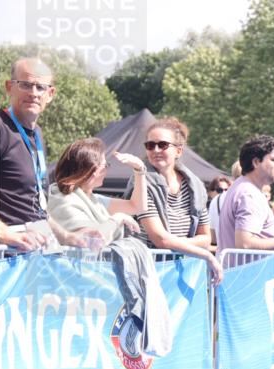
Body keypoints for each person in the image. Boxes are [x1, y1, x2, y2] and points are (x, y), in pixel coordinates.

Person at [0, 57, 102, 252]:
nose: (33, 93)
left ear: (50, 93)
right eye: (26, 85)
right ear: (9, 87)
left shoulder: (37, 135)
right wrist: (7, 235)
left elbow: (36, 209)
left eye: (40, 87)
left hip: (32, 254)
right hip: (5, 259)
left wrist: (70, 237)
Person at [133, 116, 222, 282]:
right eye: (150, 145)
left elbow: (205, 239)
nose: (156, 150)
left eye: (163, 145)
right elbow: (160, 240)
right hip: (147, 274)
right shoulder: (141, 182)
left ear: (179, 151)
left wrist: (178, 245)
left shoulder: (195, 187)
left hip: (183, 273)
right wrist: (204, 254)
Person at [47, 138, 148, 244]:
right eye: (105, 165)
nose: (107, 170)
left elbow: (137, 207)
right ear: (93, 169)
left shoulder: (91, 199)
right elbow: (91, 241)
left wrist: (140, 169)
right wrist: (116, 220)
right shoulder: (64, 200)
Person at [207, 176, 231, 247]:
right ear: (210, 192)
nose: (224, 193)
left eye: (227, 190)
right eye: (220, 190)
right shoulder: (203, 208)